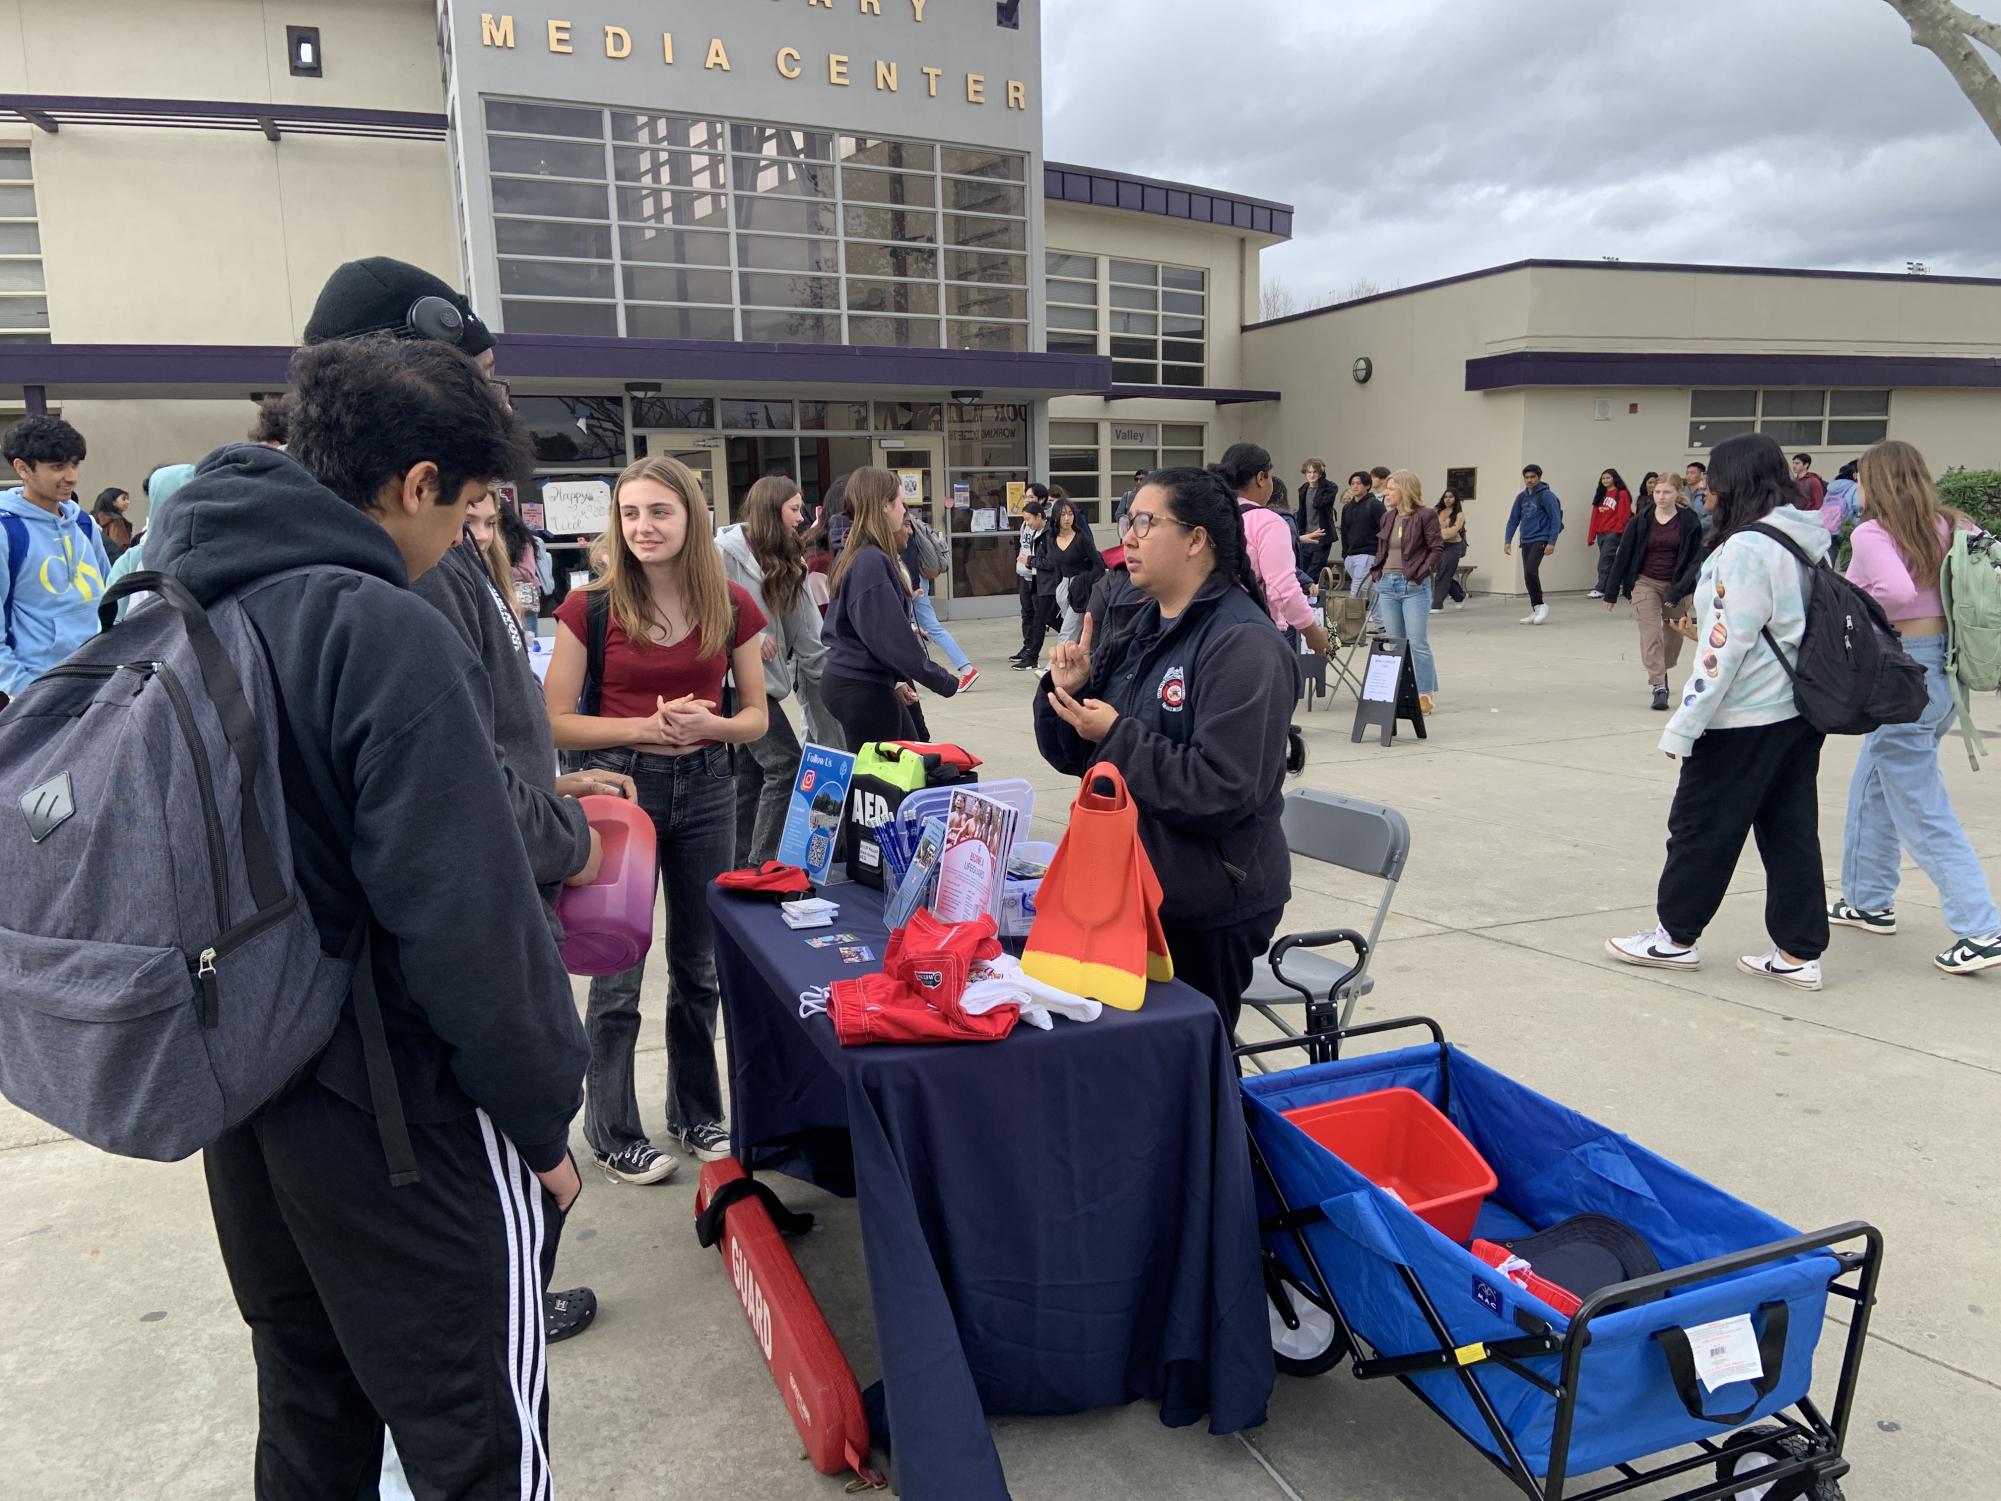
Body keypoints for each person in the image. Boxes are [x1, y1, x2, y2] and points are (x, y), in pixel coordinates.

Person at [147, 336, 589, 1496]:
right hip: (395, 1112)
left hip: (246, 1095)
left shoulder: (185, 598)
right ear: (416, 484)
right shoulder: (378, 629)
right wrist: (544, 1118)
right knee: (475, 1436)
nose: (465, 540)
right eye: (472, 505)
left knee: (309, 1415)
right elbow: (469, 925)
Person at [544, 455, 770, 1178]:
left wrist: (710, 721)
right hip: (621, 795)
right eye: (632, 513)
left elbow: (758, 718)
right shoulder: (590, 608)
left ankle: (697, 1113)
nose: (644, 526)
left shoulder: (732, 604)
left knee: (699, 964)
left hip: (708, 788)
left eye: (660, 512)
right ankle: (612, 1129)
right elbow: (552, 722)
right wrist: (642, 729)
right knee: (616, 967)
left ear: (691, 519)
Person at [1034, 467, 1301, 1035]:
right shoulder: (1142, 625)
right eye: (1128, 520)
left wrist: (1115, 735)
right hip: (1125, 889)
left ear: (1196, 540)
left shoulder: (1244, 644)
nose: (1127, 536)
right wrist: (1069, 689)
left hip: (1206, 901)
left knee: (1187, 1066)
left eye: (1145, 522)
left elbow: (1224, 789)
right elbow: (1074, 756)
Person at [1605, 433, 1833, 992]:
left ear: (1736, 482)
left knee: (1700, 826)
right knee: (1790, 831)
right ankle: (1799, 950)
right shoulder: (1806, 539)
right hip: (1798, 711)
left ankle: (1675, 936)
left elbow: (1723, 649)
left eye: (1712, 478)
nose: (1704, 487)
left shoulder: (1746, 549)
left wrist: (1684, 723)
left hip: (1742, 716)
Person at [1828, 440, 2001, 975]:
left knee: (1922, 808)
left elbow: (1897, 593)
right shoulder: (1954, 525)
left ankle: (1982, 927)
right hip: (1945, 671)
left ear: (1875, 483)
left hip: (1902, 670)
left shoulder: (1873, 533)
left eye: (1861, 479)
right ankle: (1866, 898)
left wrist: (1846, 587)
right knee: (1875, 781)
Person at [719, 474, 837, 866]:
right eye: (794, 508)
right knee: (786, 766)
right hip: (731, 685)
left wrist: (837, 683)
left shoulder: (790, 560)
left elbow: (809, 639)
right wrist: (746, 637)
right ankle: (760, 865)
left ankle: (737, 866)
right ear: (772, 510)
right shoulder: (722, 552)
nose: (801, 518)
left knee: (751, 777)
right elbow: (700, 608)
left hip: (765, 686)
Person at [820, 465, 960, 746]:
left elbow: (871, 628)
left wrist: (898, 678)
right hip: (860, 686)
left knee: (911, 758)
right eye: (900, 502)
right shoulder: (870, 559)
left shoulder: (859, 552)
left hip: (858, 680)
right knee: (883, 780)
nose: (903, 510)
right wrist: (941, 679)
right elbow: (888, 638)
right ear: (884, 506)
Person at [0, 415, 107, 710]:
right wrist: (23, 692)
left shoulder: (83, 523)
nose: (71, 476)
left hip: (99, 683)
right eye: (58, 466)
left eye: (75, 464)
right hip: (35, 693)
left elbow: (109, 599)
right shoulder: (6, 531)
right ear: (22, 468)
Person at [1213, 442, 1331, 655]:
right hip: (1255, 630)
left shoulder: (1210, 516)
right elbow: (1283, 589)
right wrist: (1313, 635)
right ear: (1260, 478)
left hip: (1209, 628)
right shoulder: (1267, 521)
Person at [1606, 471, 1704, 710]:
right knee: (1651, 634)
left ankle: (1663, 670)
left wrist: (1678, 590)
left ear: (1677, 493)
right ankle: (1659, 685)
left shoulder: (1689, 521)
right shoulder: (1641, 520)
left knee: (1672, 635)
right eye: (1658, 491)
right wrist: (1611, 591)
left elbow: (1695, 559)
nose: (1661, 496)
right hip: (1645, 582)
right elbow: (1624, 555)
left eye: (1666, 492)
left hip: (1677, 586)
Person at [1370, 469, 1443, 715]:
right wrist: (1377, 573)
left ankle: (1424, 693)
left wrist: (1419, 575)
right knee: (1396, 642)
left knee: (1417, 641)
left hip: (1413, 586)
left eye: (1391, 488)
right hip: (1387, 585)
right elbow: (1381, 547)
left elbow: (1436, 548)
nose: (1386, 493)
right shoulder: (1388, 517)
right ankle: (1400, 689)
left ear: (1405, 489)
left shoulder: (1426, 515)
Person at [900, 504, 978, 692]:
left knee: (929, 627)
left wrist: (914, 587)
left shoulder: (904, 525)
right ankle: (912, 670)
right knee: (915, 628)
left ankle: (966, 668)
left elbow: (909, 556)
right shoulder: (910, 522)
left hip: (913, 583)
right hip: (913, 582)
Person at [1034, 494, 1106, 650]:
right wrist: (1059, 585)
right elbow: (1055, 565)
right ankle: (1077, 660)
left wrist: (1084, 581)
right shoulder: (1052, 539)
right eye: (1063, 514)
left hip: (1080, 587)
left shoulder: (1082, 538)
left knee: (1067, 631)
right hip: (1063, 587)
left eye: (1070, 514)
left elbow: (1099, 566)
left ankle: (1053, 668)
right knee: (1075, 630)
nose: (1067, 518)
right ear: (1056, 518)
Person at [1503, 464, 1563, 624]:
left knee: (1531, 570)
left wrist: (1552, 542)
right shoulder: (1521, 497)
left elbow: (1556, 519)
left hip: (1541, 538)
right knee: (1528, 575)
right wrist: (1507, 540)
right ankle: (1536, 607)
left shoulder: (1546, 496)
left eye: (1532, 477)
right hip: (1526, 539)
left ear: (1539, 478)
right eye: (1527, 477)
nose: (1529, 480)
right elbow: (1513, 519)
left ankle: (1541, 605)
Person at [1011, 493, 1049, 669]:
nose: (1027, 524)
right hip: (1033, 578)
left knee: (1042, 619)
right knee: (1033, 616)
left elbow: (1051, 561)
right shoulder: (1031, 530)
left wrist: (1031, 561)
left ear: (1039, 515)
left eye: (1029, 520)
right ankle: (1030, 653)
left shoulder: (1049, 535)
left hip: (1047, 584)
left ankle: (1032, 657)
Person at [1584, 468, 1633, 600]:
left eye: (1608, 478)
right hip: (1602, 534)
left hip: (1613, 533)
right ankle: (1618, 586)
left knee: (1604, 561)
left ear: (1614, 478)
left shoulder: (1621, 494)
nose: (1605, 480)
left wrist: (1618, 530)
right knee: (1610, 561)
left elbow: (1624, 515)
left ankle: (1601, 588)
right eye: (1603, 478)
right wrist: (1591, 536)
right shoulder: (1601, 495)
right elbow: (1595, 517)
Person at [1336, 469, 1384, 601]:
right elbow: (1345, 532)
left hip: (1368, 553)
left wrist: (1380, 554)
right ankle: (1380, 621)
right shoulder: (1347, 508)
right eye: (1352, 483)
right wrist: (1345, 554)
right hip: (1351, 555)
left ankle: (1352, 620)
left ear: (1367, 486)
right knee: (1371, 589)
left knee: (1357, 590)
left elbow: (1384, 530)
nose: (1355, 486)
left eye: (1359, 483)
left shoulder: (1375, 505)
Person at [1296, 459, 1340, 581]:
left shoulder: (1330, 487)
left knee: (1313, 574)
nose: (1312, 475)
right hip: (1307, 535)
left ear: (1321, 473)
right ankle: (1305, 598)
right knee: (1302, 571)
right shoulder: (1304, 489)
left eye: (1315, 471)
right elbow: (1302, 512)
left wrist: (1320, 483)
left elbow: (1318, 503)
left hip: (1322, 536)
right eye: (1308, 472)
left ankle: (1312, 598)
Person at [1431, 487, 1468, 613]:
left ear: (1455, 499)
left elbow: (1452, 532)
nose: (1448, 499)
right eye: (1446, 496)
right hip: (1438, 546)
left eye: (1451, 496)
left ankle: (1436, 605)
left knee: (1444, 573)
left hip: (1453, 546)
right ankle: (1459, 596)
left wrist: (1435, 533)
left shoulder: (1459, 515)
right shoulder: (1437, 512)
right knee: (1442, 573)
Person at [1822, 460, 1859, 539]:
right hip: (1847, 528)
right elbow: (1858, 505)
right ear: (1854, 475)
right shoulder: (1854, 487)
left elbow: (1824, 504)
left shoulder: (1830, 488)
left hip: (1828, 527)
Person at [91, 498, 134, 564]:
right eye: (123, 499)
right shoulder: (117, 522)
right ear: (113, 502)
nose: (128, 502)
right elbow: (120, 544)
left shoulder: (93, 519)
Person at [1685, 460, 1713, 537]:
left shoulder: (1707, 493)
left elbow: (1713, 516)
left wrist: (1696, 526)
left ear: (1701, 475)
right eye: (1687, 473)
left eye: (1692, 473)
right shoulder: (1682, 493)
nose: (1688, 476)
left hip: (1705, 535)